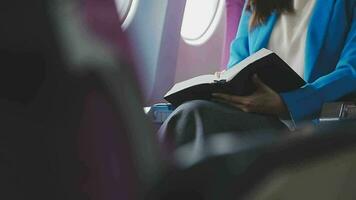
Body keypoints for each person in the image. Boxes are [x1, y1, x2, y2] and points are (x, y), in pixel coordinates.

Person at [158, 0, 356, 149]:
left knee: (196, 115)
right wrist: (230, 81)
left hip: (310, 120)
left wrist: (286, 103)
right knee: (186, 110)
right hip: (256, 113)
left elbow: (350, 72)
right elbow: (239, 56)